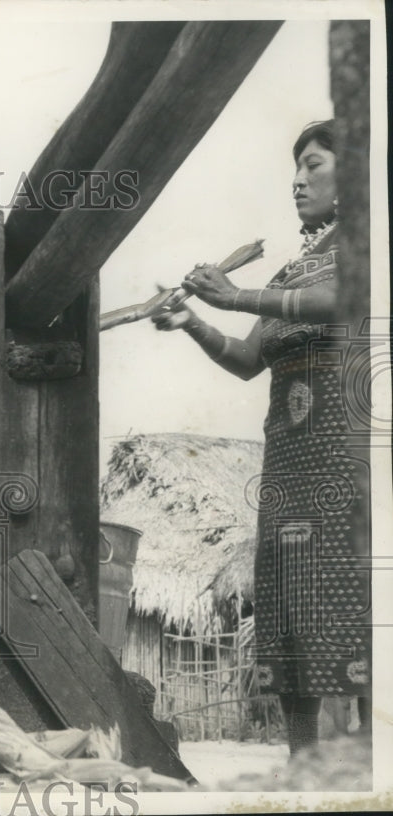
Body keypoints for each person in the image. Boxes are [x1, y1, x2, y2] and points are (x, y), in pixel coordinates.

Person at [152, 120, 371, 756]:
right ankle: (302, 756)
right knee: (291, 604)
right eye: (295, 171)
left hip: (346, 446)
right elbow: (250, 359)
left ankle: (371, 753)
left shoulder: (366, 242)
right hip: (290, 458)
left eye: (313, 165)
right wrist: (194, 320)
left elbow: (348, 299)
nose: (298, 181)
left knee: (352, 593)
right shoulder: (294, 265)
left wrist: (241, 294)